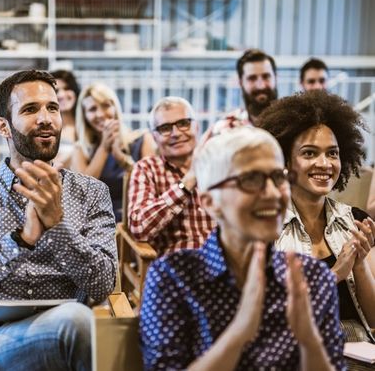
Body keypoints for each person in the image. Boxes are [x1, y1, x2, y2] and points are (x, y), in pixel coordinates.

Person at [0, 70, 117, 370]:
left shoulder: (92, 193)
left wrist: (58, 226)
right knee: (76, 323)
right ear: (4, 127)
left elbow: (102, 284)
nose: (46, 118)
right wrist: (21, 241)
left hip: (68, 336)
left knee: (80, 325)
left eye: (53, 108)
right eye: (30, 109)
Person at [140, 126, 345, 370]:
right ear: (209, 202)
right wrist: (240, 332)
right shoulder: (172, 277)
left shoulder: (312, 278)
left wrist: (309, 341)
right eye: (251, 179)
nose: (271, 193)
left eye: (278, 178)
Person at [258, 91, 375, 349]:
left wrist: (359, 267)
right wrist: (334, 275)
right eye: (310, 153)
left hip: (357, 351)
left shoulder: (355, 222)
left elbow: (374, 317)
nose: (324, 163)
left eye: (332, 153)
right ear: (286, 161)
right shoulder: (265, 228)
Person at [127, 97, 214, 256]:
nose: (176, 133)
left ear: (197, 127)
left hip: (227, 263)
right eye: (165, 128)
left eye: (183, 123)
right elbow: (139, 227)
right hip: (178, 266)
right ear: (154, 137)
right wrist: (187, 183)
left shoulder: (218, 163)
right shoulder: (147, 169)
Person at [71, 82, 154, 221]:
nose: (100, 114)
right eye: (92, 109)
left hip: (135, 221)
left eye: (105, 105)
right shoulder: (81, 149)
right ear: (84, 116)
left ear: (115, 107)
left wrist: (122, 159)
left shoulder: (142, 139)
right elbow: (83, 191)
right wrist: (104, 147)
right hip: (97, 225)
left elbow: (151, 184)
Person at [212, 49, 278, 134]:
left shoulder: (291, 125)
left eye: (266, 77)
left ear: (275, 78)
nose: (260, 86)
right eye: (252, 78)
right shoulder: (226, 129)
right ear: (240, 82)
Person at [51, 69, 79, 168]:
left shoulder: (88, 125)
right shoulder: (47, 130)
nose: (62, 95)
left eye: (67, 88)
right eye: (56, 91)